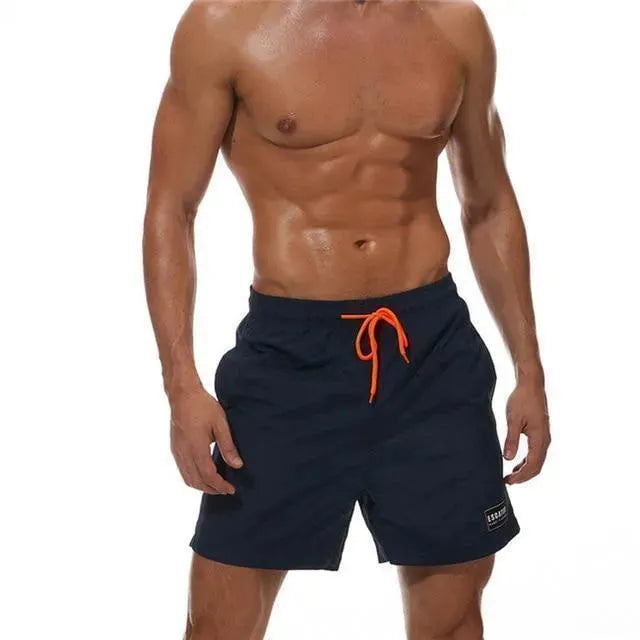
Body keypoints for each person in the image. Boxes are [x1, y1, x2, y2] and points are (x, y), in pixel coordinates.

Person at [143, 1, 551, 638]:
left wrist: (530, 370)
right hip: (289, 358)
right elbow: (171, 210)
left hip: (432, 353)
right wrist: (181, 386)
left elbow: (489, 203)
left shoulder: (455, 25)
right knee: (217, 625)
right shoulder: (226, 25)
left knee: (453, 620)